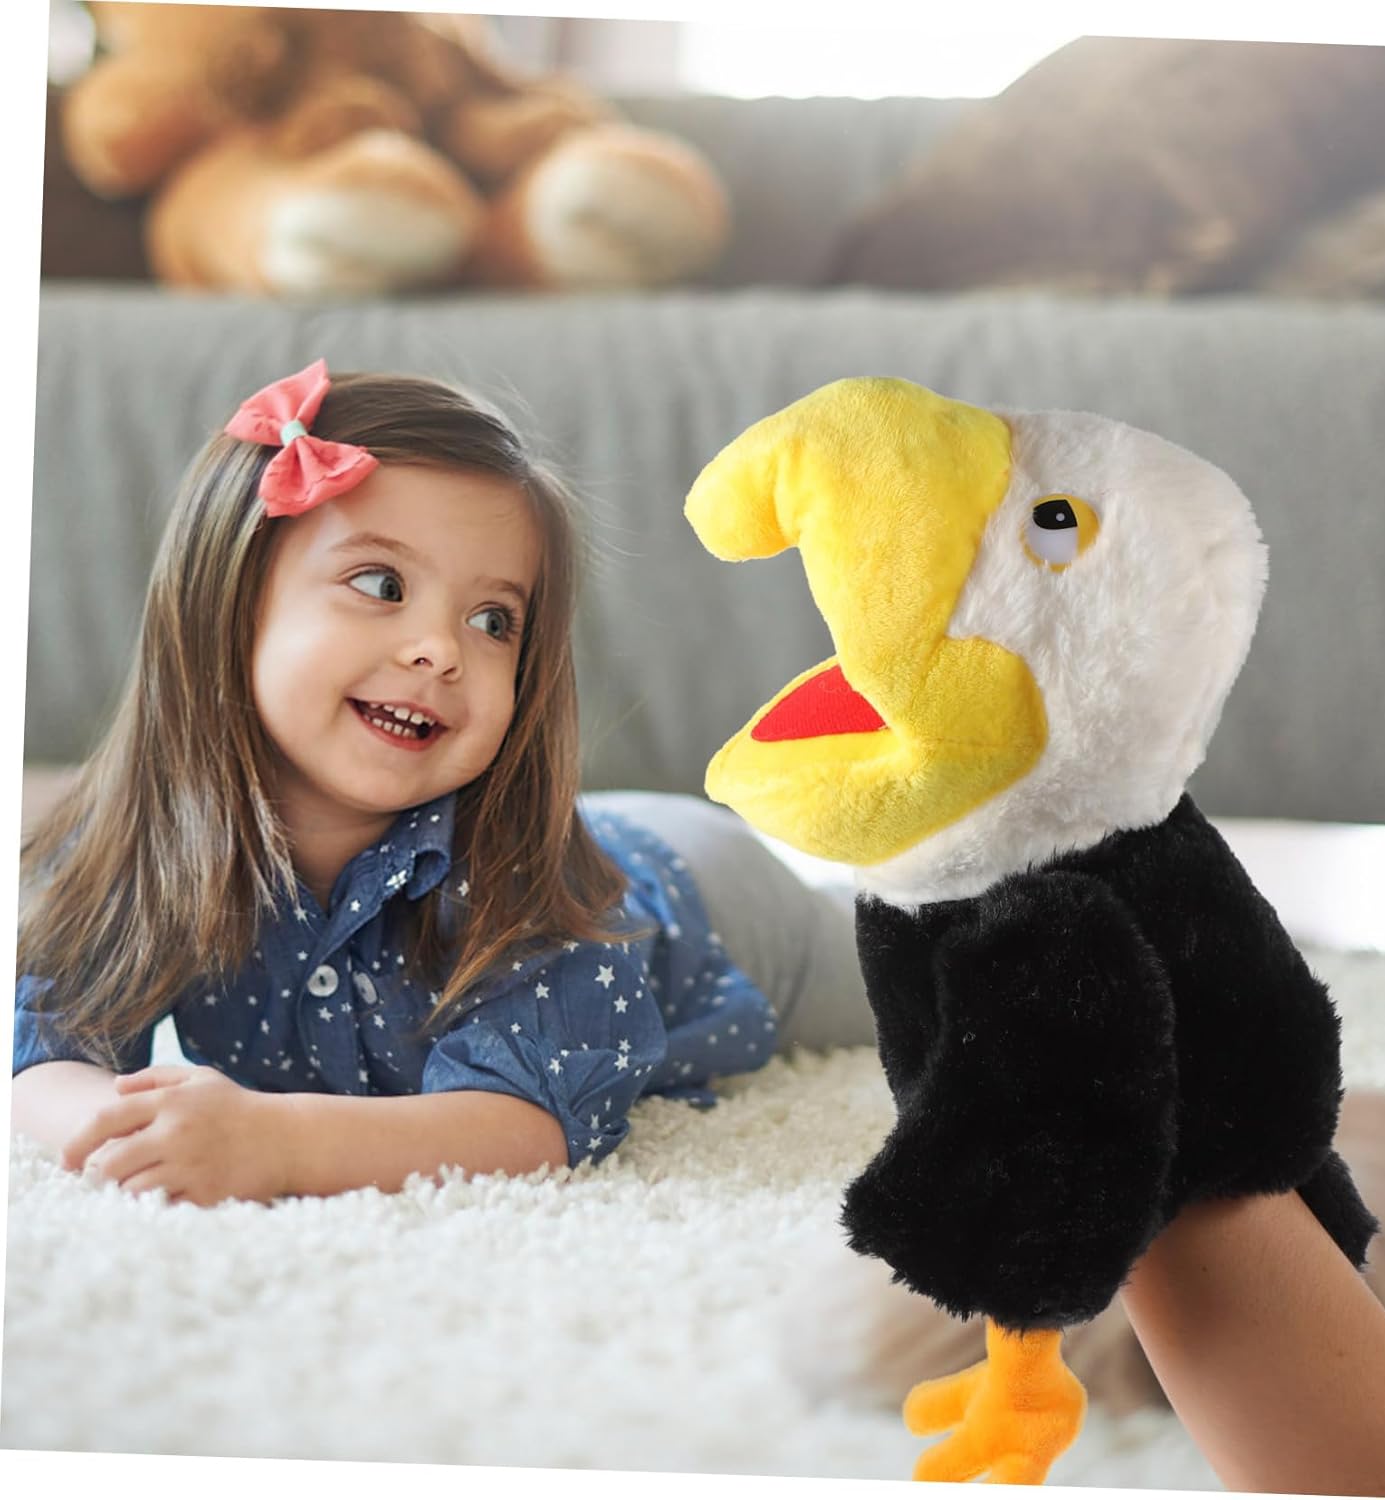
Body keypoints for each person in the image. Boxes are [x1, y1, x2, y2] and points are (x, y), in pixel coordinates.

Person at [10, 359, 869, 1206]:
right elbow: (43, 1049)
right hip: (601, 829)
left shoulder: (525, 882)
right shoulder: (137, 842)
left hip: (713, 898)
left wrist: (278, 1142)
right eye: (381, 585)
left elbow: (527, 1124)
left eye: (493, 620)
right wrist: (120, 1129)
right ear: (227, 600)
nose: (441, 650)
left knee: (910, 959)